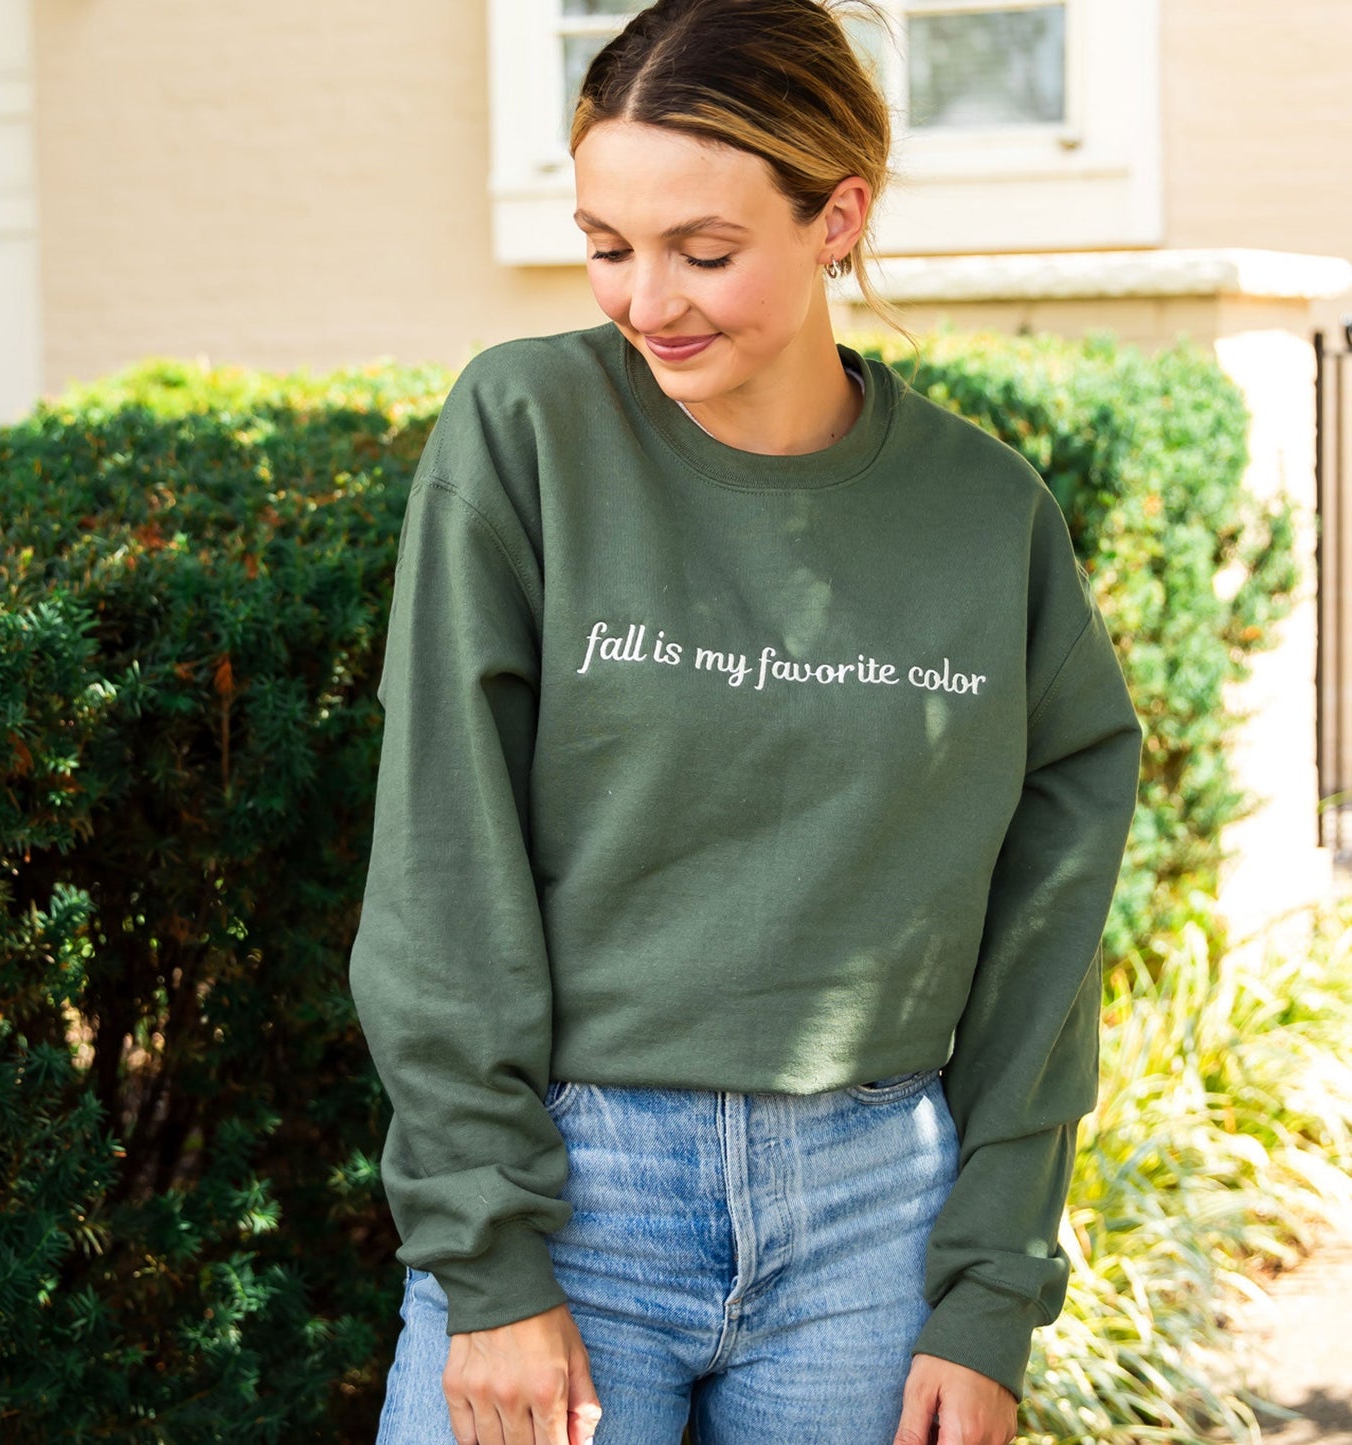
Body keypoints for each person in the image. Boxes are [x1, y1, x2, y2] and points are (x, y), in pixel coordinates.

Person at [348, 1, 1143, 1441]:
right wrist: (487, 1253)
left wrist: (988, 1285)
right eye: (605, 246)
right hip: (575, 1193)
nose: (646, 300)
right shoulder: (527, 434)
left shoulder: (981, 515)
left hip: (876, 1218)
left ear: (836, 217)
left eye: (701, 253)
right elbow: (439, 854)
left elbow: (1048, 915)